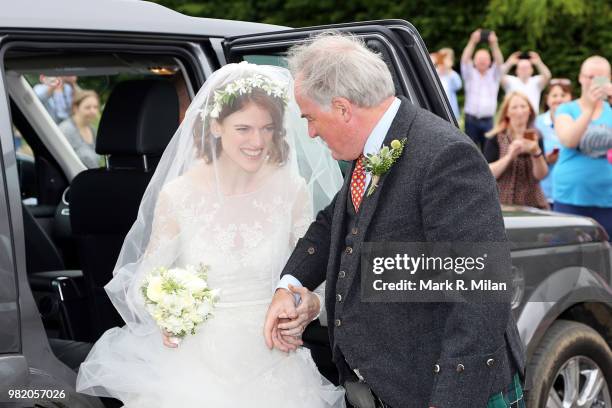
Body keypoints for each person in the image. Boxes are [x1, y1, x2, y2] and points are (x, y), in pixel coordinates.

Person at [264, 32, 525, 408]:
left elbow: (480, 292)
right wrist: (288, 285)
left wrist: (451, 400)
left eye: (311, 118)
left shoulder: (445, 157)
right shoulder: (373, 145)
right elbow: (334, 220)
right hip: (390, 385)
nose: (311, 132)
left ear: (342, 108)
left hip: (444, 391)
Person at [76, 62, 346, 407]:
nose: (258, 141)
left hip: (275, 362)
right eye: (244, 129)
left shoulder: (292, 190)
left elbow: (316, 275)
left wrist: (306, 307)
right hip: (195, 367)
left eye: (267, 128)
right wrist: (169, 313)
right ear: (216, 126)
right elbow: (146, 281)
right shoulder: (179, 195)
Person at [554, 56, 612, 237]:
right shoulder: (566, 109)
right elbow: (569, 140)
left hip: (607, 198)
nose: (594, 83)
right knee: (568, 254)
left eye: (600, 78)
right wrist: (589, 109)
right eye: (590, 77)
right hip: (571, 196)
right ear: (580, 78)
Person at [484, 92, 549, 209]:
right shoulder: (496, 138)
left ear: (530, 110)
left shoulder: (536, 136)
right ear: (507, 113)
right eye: (514, 107)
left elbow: (541, 175)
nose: (520, 111)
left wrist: (536, 152)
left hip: (533, 203)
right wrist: (509, 156)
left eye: (523, 106)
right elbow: (488, 173)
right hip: (503, 203)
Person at [460, 29, 504, 149]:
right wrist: (472, 42)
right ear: (474, 60)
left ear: (490, 61)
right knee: (470, 151)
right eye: (479, 58)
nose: (482, 61)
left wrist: (494, 44)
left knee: (488, 152)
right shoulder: (470, 74)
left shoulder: (494, 75)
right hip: (471, 120)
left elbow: (500, 62)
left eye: (485, 58)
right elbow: (464, 60)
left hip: (488, 121)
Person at [535, 79, 573, 205]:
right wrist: (545, 159)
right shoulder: (536, 123)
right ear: (547, 99)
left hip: (570, 191)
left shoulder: (579, 122)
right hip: (544, 191)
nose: (559, 99)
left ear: (571, 98)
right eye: (554, 95)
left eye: (563, 95)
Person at [58, 90, 101, 169]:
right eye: (88, 107)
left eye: (95, 107)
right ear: (75, 108)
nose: (93, 111)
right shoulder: (66, 130)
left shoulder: (92, 130)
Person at [434, 48, 462, 120]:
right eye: (442, 57)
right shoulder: (434, 73)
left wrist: (449, 70)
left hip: (451, 112)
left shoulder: (452, 74)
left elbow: (458, 86)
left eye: (446, 58)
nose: (443, 61)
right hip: (437, 112)